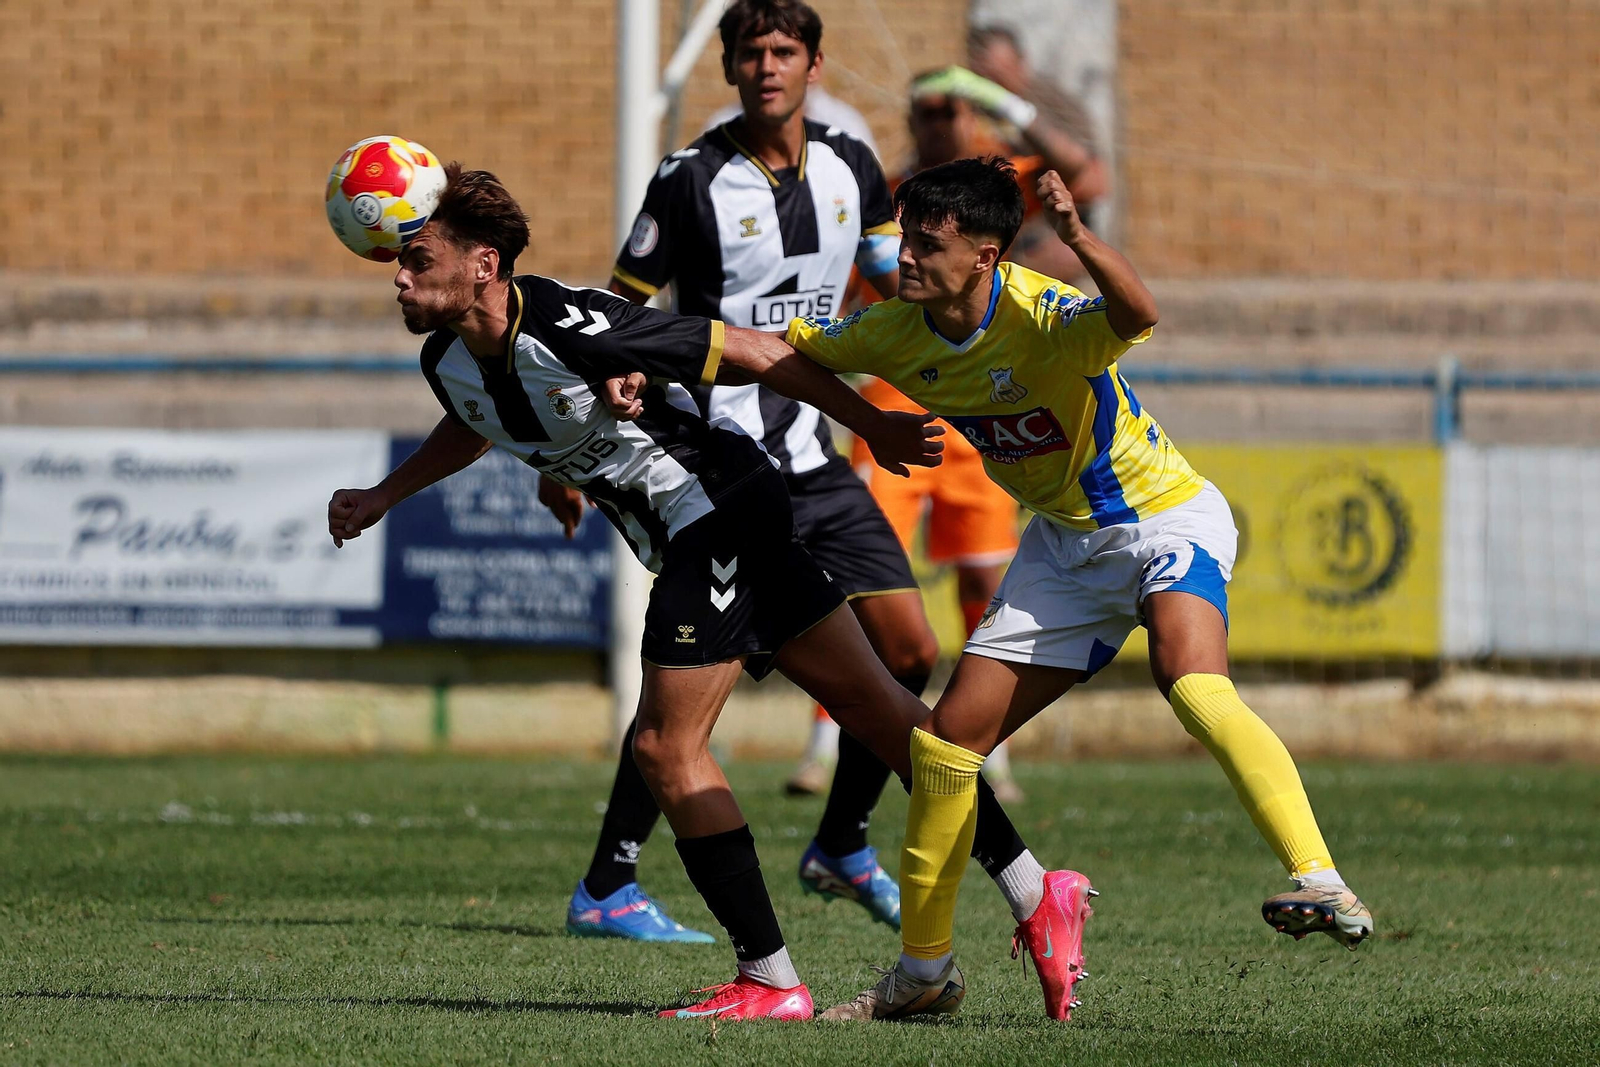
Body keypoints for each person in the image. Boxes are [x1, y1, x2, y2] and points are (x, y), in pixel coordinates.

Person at [325, 163, 944, 1020]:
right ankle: (1036, 885)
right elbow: (476, 417)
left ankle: (765, 976)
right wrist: (385, 496)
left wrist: (872, 422)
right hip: (719, 511)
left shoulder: (570, 321)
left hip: (714, 506)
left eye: (415, 257)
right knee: (878, 706)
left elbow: (753, 351)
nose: (397, 274)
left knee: (663, 746)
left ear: (483, 264)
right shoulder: (449, 361)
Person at [774, 158, 1375, 1021]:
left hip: (1165, 518)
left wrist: (1080, 237)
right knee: (946, 748)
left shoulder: (1043, 312)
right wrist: (642, 348)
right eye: (906, 236)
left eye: (928, 244)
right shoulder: (893, 332)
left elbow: (1139, 313)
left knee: (1190, 679)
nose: (904, 257)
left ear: (986, 255)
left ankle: (1322, 881)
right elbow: (787, 350)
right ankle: (924, 974)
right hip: (1064, 549)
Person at [551, 0, 1046, 943]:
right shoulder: (689, 178)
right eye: (750, 53)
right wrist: (581, 438)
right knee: (693, 686)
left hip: (818, 454)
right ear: (731, 69)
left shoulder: (855, 167)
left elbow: (899, 284)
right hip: (720, 465)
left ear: (815, 64)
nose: (767, 67)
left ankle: (842, 843)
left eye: (784, 51)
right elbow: (617, 312)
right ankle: (610, 880)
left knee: (907, 652)